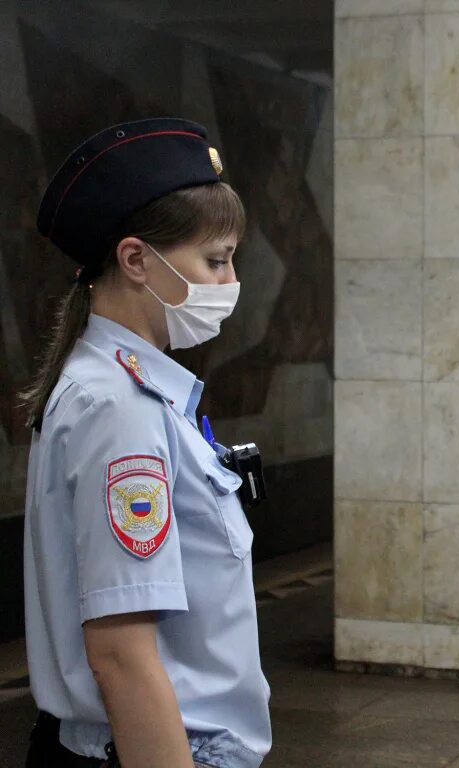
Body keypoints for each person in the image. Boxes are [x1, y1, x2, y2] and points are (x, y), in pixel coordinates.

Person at [20, 119, 271, 767]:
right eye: (216, 260)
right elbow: (121, 655)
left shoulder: (121, 390)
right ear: (135, 260)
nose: (231, 280)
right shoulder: (117, 408)